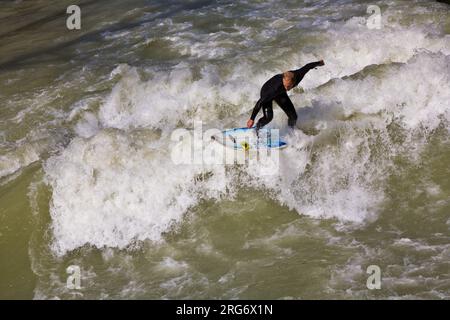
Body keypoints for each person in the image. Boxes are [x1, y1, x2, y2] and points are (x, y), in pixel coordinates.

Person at [247, 60, 325, 130]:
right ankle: (256, 129)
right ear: (283, 80)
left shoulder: (299, 75)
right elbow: (260, 102)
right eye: (285, 85)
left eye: (288, 86)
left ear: (294, 81)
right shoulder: (274, 89)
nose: (287, 88)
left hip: (280, 93)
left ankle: (290, 131)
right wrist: (252, 119)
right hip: (267, 91)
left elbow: (308, 66)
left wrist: (319, 63)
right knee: (268, 117)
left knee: (293, 117)